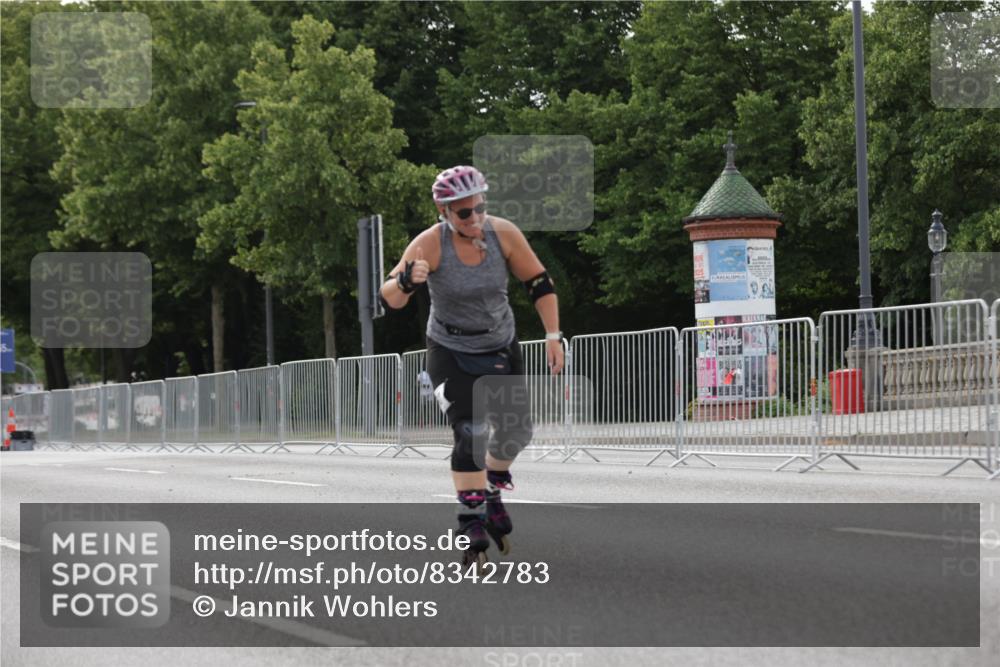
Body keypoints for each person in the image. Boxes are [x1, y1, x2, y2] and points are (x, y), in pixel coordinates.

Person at [379, 165, 564, 567]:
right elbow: (388, 296)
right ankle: (470, 518)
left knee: (517, 430)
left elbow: (539, 283)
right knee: (471, 430)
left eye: (480, 208)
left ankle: (493, 488)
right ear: (444, 212)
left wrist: (552, 335)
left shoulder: (504, 234)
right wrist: (408, 282)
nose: (476, 218)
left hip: (499, 343)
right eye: (464, 213)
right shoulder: (430, 244)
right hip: (450, 348)